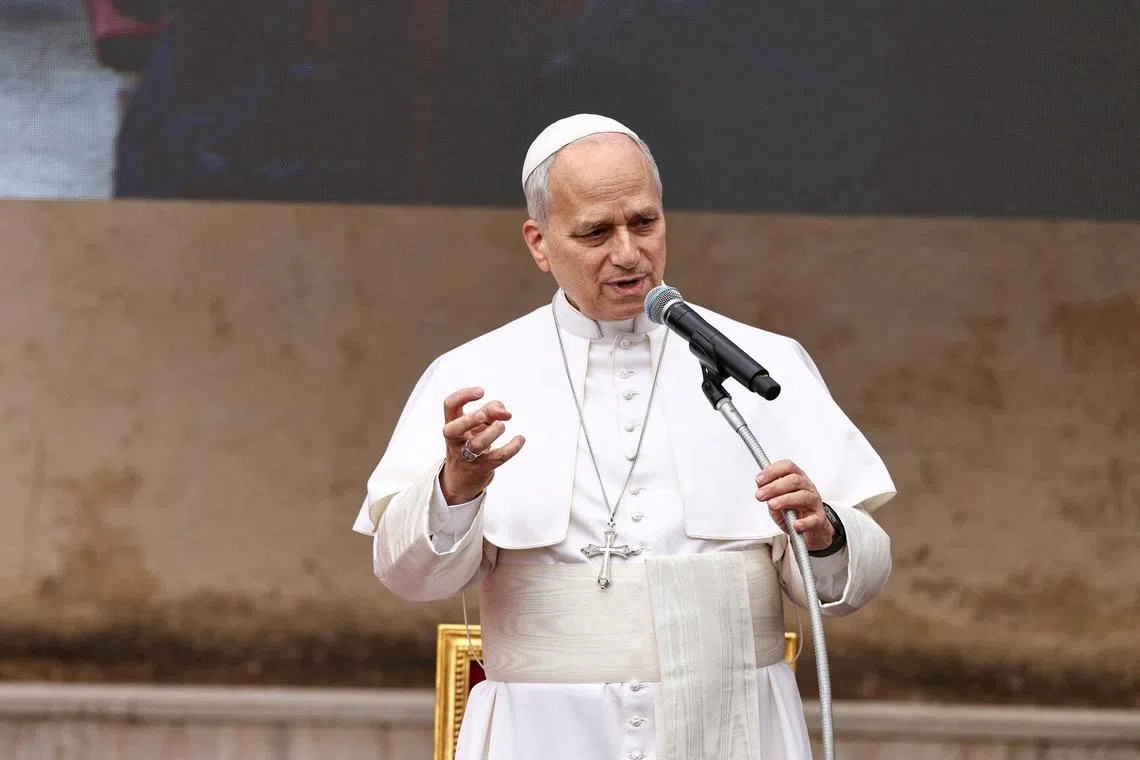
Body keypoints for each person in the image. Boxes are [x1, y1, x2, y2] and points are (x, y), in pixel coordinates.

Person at [353, 113, 896, 760]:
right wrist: (456, 488)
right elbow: (408, 578)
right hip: (544, 736)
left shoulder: (761, 364)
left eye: (644, 223)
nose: (629, 253)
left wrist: (825, 533)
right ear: (539, 243)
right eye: (595, 232)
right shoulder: (473, 375)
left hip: (734, 726)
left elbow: (849, 585)